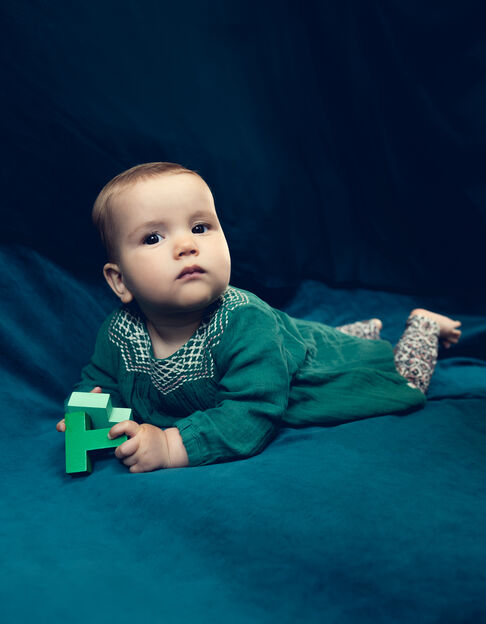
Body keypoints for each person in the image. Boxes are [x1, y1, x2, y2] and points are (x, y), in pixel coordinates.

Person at [56, 162, 462, 472]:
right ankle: (352, 332)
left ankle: (422, 324)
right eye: (153, 238)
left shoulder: (244, 320)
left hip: (308, 374)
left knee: (404, 382)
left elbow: (251, 413)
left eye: (200, 227)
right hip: (286, 341)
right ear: (120, 280)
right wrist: (91, 411)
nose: (185, 245)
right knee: (302, 340)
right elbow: (100, 380)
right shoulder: (120, 333)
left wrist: (169, 446)